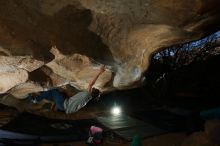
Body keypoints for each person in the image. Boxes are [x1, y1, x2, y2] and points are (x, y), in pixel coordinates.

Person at [29, 65, 106, 114]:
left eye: (94, 89)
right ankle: (39, 95)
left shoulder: (87, 94)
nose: (93, 87)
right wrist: (65, 90)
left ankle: (36, 100)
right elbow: (73, 98)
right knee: (51, 94)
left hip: (63, 104)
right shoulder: (87, 99)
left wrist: (100, 71)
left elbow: (91, 83)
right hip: (63, 107)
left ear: (93, 92)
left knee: (54, 90)